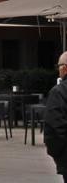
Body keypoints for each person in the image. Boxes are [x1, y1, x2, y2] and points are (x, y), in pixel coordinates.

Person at [46, 53, 67, 182]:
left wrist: (57, 154)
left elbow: (54, 128)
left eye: (58, 67)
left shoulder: (59, 92)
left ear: (64, 68)